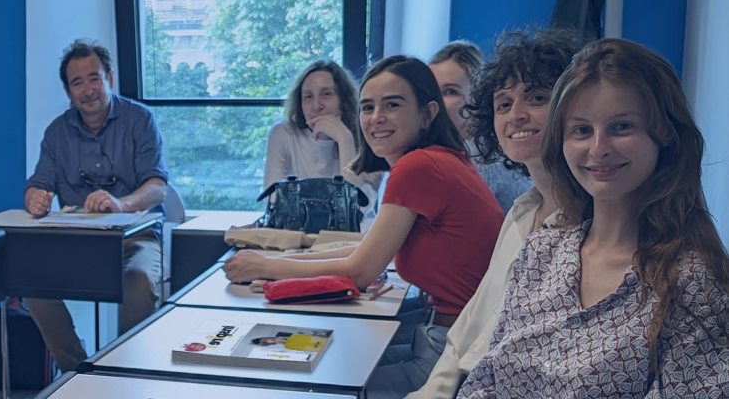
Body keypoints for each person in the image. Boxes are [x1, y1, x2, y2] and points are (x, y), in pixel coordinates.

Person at [458, 38, 729, 398]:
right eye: (582, 130)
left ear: (664, 133)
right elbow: (484, 380)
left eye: (622, 127)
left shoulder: (690, 280)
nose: (598, 148)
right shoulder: (540, 252)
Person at [224, 55, 504, 394]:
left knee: (313, 387)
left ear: (427, 114)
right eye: (368, 107)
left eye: (392, 105)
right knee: (328, 364)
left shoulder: (419, 166)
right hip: (447, 338)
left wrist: (267, 268)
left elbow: (359, 272)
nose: (376, 118)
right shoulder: (438, 159)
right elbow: (365, 250)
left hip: (450, 352)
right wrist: (271, 262)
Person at [407, 29, 584, 399]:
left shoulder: (591, 224)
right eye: (503, 104)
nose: (516, 115)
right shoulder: (523, 212)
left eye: (537, 98)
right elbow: (471, 326)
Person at [23, 39, 168, 372]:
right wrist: (34, 197)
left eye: (94, 78)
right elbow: (39, 182)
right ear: (68, 91)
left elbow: (157, 187)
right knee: (30, 282)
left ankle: (127, 373)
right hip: (78, 243)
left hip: (137, 237)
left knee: (139, 280)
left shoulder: (140, 119)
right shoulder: (56, 133)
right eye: (77, 83)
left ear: (109, 78)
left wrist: (122, 203)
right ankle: (77, 370)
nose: (88, 90)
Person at [429, 40, 532, 214]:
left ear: (477, 99)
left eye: (450, 92)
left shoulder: (484, 153)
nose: (435, 102)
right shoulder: (447, 150)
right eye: (431, 91)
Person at [264, 59, 380, 212]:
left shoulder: (364, 135)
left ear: (343, 100)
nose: (316, 106)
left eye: (326, 94)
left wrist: (345, 139)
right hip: (295, 227)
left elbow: (358, 207)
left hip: (353, 229)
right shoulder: (283, 133)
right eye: (308, 97)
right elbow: (273, 201)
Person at [251, 335, 327, 352]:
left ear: (275, 337)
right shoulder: (288, 347)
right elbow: (310, 350)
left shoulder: (296, 336)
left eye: (274, 339)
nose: (277, 341)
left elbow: (319, 340)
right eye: (274, 343)